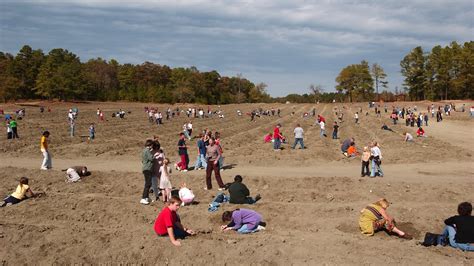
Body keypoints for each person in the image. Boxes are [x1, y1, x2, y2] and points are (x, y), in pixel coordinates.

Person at [140, 139, 154, 205]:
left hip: (145, 168)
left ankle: (146, 197)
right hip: (148, 169)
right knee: (148, 184)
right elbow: (151, 158)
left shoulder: (144, 150)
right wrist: (154, 155)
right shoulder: (147, 150)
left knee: (148, 183)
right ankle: (143, 198)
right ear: (150, 145)